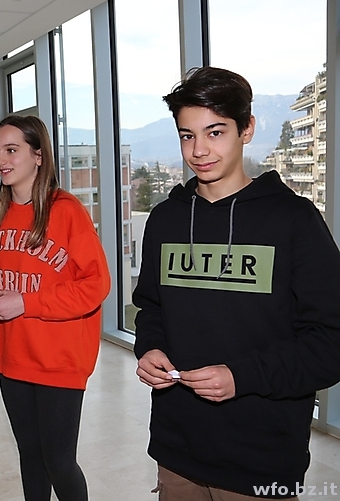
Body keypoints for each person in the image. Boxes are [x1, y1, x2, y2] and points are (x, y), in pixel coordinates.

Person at [133, 66, 340, 500]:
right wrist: (149, 347)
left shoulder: (294, 221)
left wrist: (241, 377)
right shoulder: (166, 219)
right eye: (187, 135)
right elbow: (151, 306)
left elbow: (330, 344)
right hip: (177, 447)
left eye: (215, 132)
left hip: (262, 455)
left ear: (247, 129)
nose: (199, 150)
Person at [0, 115, 110, 501]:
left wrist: (27, 302)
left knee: (59, 461)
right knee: (30, 455)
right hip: (12, 355)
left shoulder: (67, 211)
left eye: (12, 150)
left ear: (38, 156)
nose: (1, 160)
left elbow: (96, 285)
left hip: (59, 359)